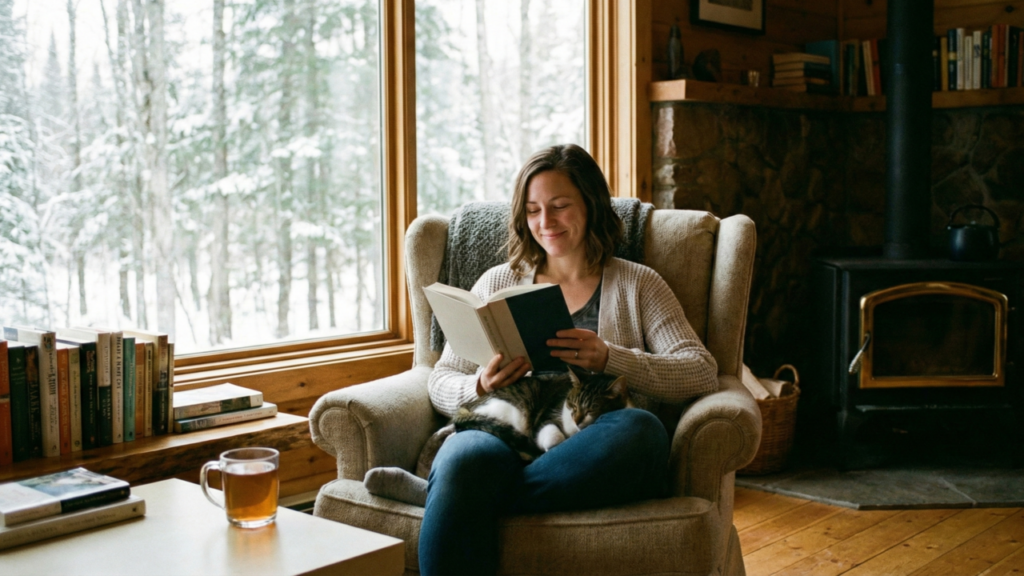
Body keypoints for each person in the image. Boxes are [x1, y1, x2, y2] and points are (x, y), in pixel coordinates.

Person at [420, 144, 718, 576]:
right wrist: (480, 384)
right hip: (506, 433)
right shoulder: (497, 281)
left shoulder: (638, 284)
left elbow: (701, 370)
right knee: (464, 456)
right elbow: (440, 378)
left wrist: (613, 358)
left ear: (592, 206)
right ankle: (460, 485)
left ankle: (457, 495)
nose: (546, 223)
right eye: (533, 210)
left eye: (560, 206)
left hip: (591, 442)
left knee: (643, 431)